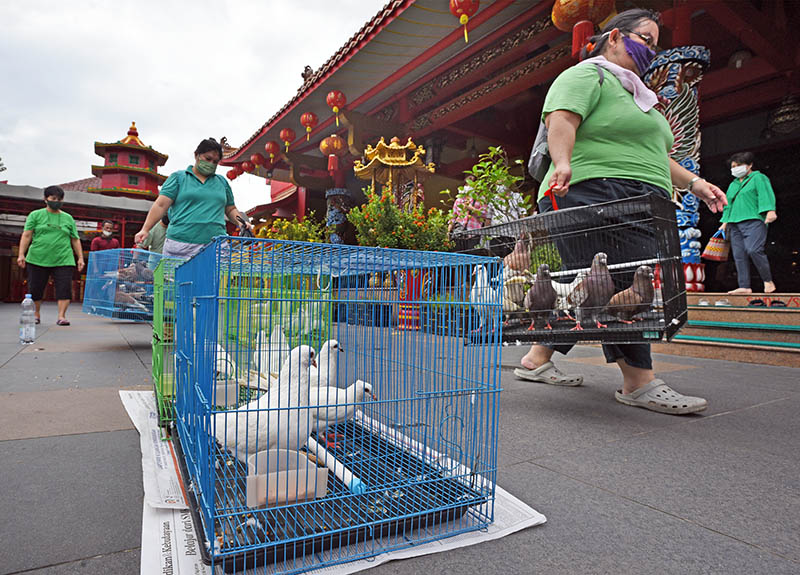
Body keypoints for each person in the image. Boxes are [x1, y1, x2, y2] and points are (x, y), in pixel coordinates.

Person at [514, 8, 727, 415]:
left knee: (595, 288)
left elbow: (654, 153)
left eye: (655, 44)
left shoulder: (640, 98)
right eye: (645, 39)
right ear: (614, 37)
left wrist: (696, 184)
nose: (651, 50)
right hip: (592, 189)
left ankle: (537, 358)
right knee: (623, 282)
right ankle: (638, 382)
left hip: (642, 198)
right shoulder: (588, 75)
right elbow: (562, 119)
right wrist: (562, 162)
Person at [134, 138, 253, 259]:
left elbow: (230, 208)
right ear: (197, 155)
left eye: (215, 162)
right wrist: (145, 229)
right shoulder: (178, 178)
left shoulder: (222, 182)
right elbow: (160, 205)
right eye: (208, 159)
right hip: (181, 245)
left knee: (212, 278)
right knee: (180, 278)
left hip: (216, 244)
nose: (211, 164)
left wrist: (241, 223)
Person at [17, 185, 85, 326]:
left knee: (64, 288)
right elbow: (27, 235)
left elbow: (75, 238)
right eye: (53, 198)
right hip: (37, 258)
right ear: (45, 199)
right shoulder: (35, 215)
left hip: (63, 258)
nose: (57, 201)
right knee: (35, 288)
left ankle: (61, 316)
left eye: (59, 199)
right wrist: (21, 254)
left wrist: (80, 257)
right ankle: (36, 314)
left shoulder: (68, 218)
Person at [719, 151, 777, 294]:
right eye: (733, 166)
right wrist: (724, 222)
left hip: (754, 220)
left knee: (754, 249)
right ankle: (744, 286)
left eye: (739, 165)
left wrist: (770, 210)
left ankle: (768, 281)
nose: (735, 168)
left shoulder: (758, 178)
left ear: (750, 165)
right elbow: (728, 204)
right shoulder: (732, 184)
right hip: (734, 223)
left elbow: (765, 194)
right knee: (739, 255)